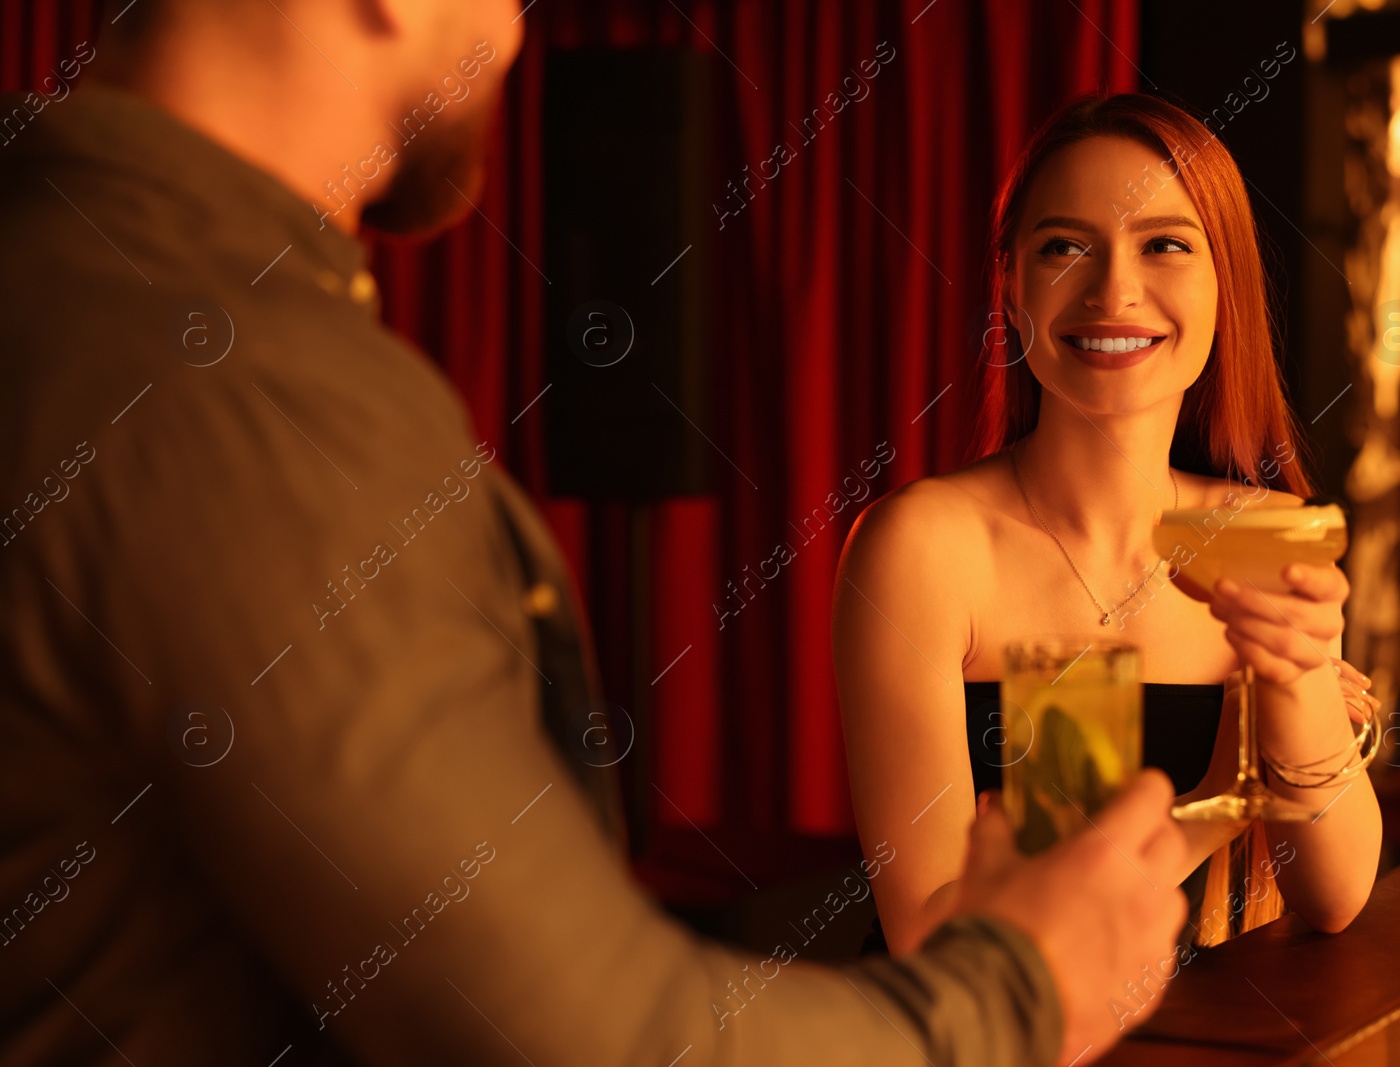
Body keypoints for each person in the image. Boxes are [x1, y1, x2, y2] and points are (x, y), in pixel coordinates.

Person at [0, 3, 1190, 1064]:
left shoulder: (73, 272)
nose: (517, 35)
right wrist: (1022, 985)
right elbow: (590, 1035)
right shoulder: (243, 390)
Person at [834, 93, 1384, 958]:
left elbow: (1337, 895)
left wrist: (1301, 684)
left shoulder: (1271, 534)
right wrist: (1219, 799)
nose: (1115, 290)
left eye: (1164, 244)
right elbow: (935, 932)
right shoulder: (923, 547)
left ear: (1223, 284)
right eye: (1064, 248)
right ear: (1011, 288)